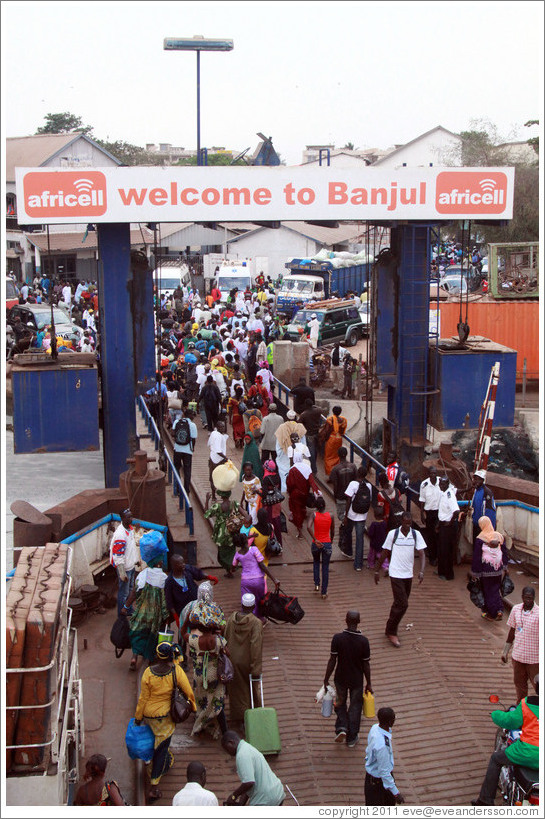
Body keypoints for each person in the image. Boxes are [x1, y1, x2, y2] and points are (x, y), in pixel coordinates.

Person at [134, 641, 195, 801]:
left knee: (155, 743)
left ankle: (151, 762)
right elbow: (188, 692)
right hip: (165, 718)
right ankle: (154, 786)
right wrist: (193, 707)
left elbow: (143, 699)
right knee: (161, 749)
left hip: (149, 716)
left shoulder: (148, 673)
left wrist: (138, 718)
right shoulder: (176, 671)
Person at [472, 675, 539, 806]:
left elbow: (509, 721)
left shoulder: (528, 703)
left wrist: (496, 714)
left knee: (496, 759)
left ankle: (485, 801)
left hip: (525, 752)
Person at [374, 511, 427, 648]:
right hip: (395, 573)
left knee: (399, 603)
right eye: (405, 523)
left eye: (409, 524)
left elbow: (421, 553)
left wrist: (421, 571)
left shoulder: (415, 535)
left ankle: (389, 627)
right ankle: (392, 632)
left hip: (408, 574)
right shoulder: (393, 534)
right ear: (401, 522)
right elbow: (385, 552)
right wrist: (376, 569)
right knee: (403, 604)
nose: (407, 526)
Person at [323, 610, 372, 748]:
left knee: (340, 703)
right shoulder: (364, 641)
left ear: (346, 620)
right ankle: (351, 737)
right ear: (359, 622)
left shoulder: (337, 638)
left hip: (340, 678)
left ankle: (342, 727)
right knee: (355, 706)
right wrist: (369, 683)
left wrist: (326, 678)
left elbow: (332, 659)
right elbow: (366, 664)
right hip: (357, 680)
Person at [183, 601, 229, 739]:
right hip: (215, 674)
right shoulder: (219, 640)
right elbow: (228, 653)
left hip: (199, 675)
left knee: (202, 700)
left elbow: (182, 632)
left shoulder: (194, 640)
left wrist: (187, 618)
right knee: (216, 700)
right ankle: (221, 728)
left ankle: (200, 725)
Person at [123, 546, 170, 671]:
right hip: (156, 614)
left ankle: (134, 656)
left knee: (137, 632)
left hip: (142, 612)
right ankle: (150, 658)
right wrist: (167, 615)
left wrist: (126, 606)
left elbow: (134, 592)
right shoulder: (164, 578)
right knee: (152, 635)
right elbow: (166, 599)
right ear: (159, 562)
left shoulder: (143, 574)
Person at [224, 593, 264, 723]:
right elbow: (255, 646)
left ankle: (238, 716)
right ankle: (248, 718)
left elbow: (226, 636)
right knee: (250, 689)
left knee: (236, 690)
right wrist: (256, 669)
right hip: (246, 661)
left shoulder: (231, 619)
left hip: (232, 659)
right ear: (253, 606)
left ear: (242, 605)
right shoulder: (256, 623)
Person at [221, 730, 286, 806]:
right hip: (277, 793)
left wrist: (233, 796)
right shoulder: (247, 747)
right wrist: (241, 803)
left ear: (231, 742)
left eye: (226, 749)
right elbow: (248, 783)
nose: (228, 753)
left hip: (266, 800)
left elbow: (249, 783)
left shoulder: (242, 755)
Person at [164, 554, 218, 639]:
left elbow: (198, 574)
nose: (183, 564)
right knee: (184, 632)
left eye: (183, 562)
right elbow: (169, 602)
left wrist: (210, 577)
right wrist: (176, 617)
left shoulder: (187, 570)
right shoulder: (169, 582)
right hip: (183, 611)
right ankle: (183, 648)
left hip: (196, 606)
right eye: (180, 563)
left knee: (199, 627)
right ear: (174, 566)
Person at [502, 586, 539, 703]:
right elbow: (512, 631)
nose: (528, 601)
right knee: (520, 685)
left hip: (534, 659)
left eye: (531, 598)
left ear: (534, 598)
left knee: (538, 686)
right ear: (522, 597)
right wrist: (505, 652)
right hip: (518, 657)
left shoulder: (539, 614)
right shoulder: (516, 610)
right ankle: (521, 710)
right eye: (526, 598)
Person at [232, 532, 280, 620]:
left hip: (246, 581)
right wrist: (274, 579)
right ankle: (261, 619)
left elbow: (233, 567)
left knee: (246, 601)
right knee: (259, 600)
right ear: (246, 541)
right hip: (258, 579)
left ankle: (248, 619)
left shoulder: (237, 555)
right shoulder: (254, 550)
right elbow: (262, 565)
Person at [471, 516, 509, 621]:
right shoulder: (499, 536)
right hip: (498, 569)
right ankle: (500, 609)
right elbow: (504, 552)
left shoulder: (480, 538)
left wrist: (475, 572)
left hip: (485, 570)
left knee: (487, 591)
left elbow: (477, 557)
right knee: (495, 590)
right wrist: (505, 567)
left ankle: (492, 612)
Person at [364, 708, 404, 805]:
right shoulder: (382, 746)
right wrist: (396, 793)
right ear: (390, 721)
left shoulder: (375, 728)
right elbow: (384, 772)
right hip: (378, 784)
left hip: (371, 778)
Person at [343, 464, 373, 570]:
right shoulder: (368, 486)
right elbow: (369, 501)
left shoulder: (353, 484)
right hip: (362, 516)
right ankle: (358, 565)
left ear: (357, 473)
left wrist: (346, 515)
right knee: (360, 539)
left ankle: (348, 551)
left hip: (352, 514)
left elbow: (348, 500)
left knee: (348, 532)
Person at [204, 490, 240, 578]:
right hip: (232, 531)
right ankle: (232, 567)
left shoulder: (217, 507)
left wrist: (207, 500)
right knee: (231, 550)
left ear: (221, 496)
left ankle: (229, 568)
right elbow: (243, 513)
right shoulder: (234, 504)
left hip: (221, 533)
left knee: (222, 552)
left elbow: (206, 514)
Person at [109, 508, 138, 615]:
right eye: (128, 517)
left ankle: (128, 609)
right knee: (124, 592)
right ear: (122, 518)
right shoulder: (121, 534)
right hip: (125, 568)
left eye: (131, 516)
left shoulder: (129, 529)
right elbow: (117, 555)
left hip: (131, 565)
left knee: (130, 590)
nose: (131, 519)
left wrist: (136, 561)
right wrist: (122, 572)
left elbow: (131, 548)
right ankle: (121, 613)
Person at [286, 451, 321, 538]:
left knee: (296, 511)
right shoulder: (307, 468)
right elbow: (311, 481)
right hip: (304, 493)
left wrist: (289, 492)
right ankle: (300, 522)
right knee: (302, 508)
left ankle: (299, 529)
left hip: (295, 495)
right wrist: (316, 491)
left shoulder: (292, 470)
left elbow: (290, 484)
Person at [307, 495, 335, 598]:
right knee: (325, 567)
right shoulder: (331, 516)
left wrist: (315, 539)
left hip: (316, 543)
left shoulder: (313, 515)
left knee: (316, 562)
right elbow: (332, 531)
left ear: (316, 506)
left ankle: (317, 584)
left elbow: (308, 527)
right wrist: (331, 540)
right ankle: (324, 592)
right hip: (326, 543)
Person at [275, 411, 308, 492]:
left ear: (286, 418)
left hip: (284, 457)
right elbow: (304, 444)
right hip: (297, 457)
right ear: (295, 418)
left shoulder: (281, 428)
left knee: (284, 479)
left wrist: (280, 455)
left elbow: (278, 445)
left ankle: (285, 493)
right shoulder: (300, 428)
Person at [436, 476, 460, 580]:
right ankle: (441, 571)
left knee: (447, 551)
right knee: (441, 550)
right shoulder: (443, 493)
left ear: (447, 484)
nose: (441, 486)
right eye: (440, 484)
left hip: (448, 527)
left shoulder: (450, 495)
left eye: (443, 484)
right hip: (442, 524)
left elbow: (456, 511)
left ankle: (448, 575)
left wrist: (450, 522)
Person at [418, 466, 441, 566]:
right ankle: (432, 558)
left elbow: (453, 490)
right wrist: (422, 514)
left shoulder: (441, 482)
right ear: (428, 474)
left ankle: (439, 557)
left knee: (439, 535)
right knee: (431, 536)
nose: (433, 475)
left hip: (440, 513)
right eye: (431, 473)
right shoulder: (424, 484)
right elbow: (422, 500)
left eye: (435, 473)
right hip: (430, 513)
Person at [327, 446, 358, 521]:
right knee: (351, 515)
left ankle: (344, 529)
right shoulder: (353, 466)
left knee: (341, 516)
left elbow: (335, 485)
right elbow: (356, 481)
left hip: (340, 496)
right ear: (347, 454)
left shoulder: (336, 469)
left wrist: (335, 496)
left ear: (338, 455)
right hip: (351, 496)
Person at [172, 407, 197, 493]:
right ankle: (186, 489)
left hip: (177, 449)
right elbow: (193, 439)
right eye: (193, 415)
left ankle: (178, 488)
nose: (193, 417)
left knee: (177, 468)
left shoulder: (176, 422)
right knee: (187, 469)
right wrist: (192, 448)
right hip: (187, 451)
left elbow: (173, 434)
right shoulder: (192, 425)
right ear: (190, 416)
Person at [468, 469, 497, 544]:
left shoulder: (487, 492)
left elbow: (490, 511)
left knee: (482, 547)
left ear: (483, 480)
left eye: (479, 479)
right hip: (476, 524)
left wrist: (490, 529)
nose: (476, 481)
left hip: (483, 527)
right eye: (475, 479)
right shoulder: (476, 491)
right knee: (476, 545)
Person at [260, 459, 284, 545]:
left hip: (269, 505)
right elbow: (279, 490)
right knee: (277, 522)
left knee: (269, 523)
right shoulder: (277, 476)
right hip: (277, 504)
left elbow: (264, 494)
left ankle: (271, 543)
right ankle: (279, 543)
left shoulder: (266, 479)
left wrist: (257, 492)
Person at [298, 398, 323, 474]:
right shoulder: (318, 410)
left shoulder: (304, 414)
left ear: (306, 405)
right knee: (315, 450)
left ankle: (313, 469)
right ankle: (314, 467)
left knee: (311, 452)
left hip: (309, 435)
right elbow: (318, 408)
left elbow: (299, 423)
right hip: (317, 433)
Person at [322, 406, 348, 476]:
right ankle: (336, 474)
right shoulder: (343, 420)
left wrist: (325, 439)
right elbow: (342, 431)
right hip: (339, 440)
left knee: (328, 457)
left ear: (333, 411)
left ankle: (330, 474)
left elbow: (327, 431)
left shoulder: (330, 419)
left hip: (331, 439)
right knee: (336, 457)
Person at [207, 420, 228, 500]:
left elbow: (209, 444)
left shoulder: (213, 433)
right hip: (218, 460)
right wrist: (226, 458)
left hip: (212, 458)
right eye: (221, 427)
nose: (223, 428)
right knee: (218, 478)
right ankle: (217, 495)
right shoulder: (219, 436)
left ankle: (213, 496)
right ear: (217, 427)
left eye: (223, 426)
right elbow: (218, 451)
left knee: (212, 477)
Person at [366, 506, 389, 571]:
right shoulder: (384, 523)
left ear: (374, 515)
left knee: (372, 555)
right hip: (382, 542)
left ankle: (371, 564)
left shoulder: (374, 524)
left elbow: (370, 533)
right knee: (382, 555)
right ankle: (385, 565)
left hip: (374, 543)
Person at [240, 459, 262, 525]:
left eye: (250, 470)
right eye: (247, 470)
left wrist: (256, 491)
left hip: (255, 503)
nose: (248, 471)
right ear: (244, 470)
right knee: (251, 518)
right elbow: (244, 490)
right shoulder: (243, 477)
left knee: (252, 519)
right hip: (249, 503)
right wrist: (241, 501)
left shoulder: (256, 480)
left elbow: (261, 492)